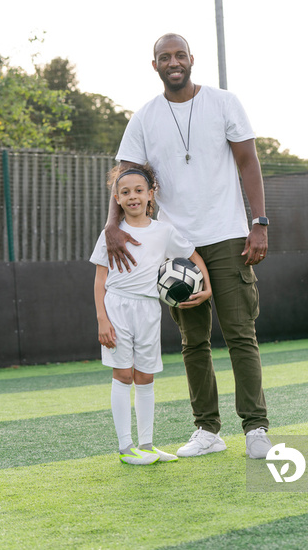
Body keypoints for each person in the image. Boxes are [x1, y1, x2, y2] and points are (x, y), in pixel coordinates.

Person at [105, 33, 271, 460]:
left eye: (179, 55)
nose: (173, 62)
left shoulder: (223, 102)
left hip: (229, 235)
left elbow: (248, 160)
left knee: (239, 333)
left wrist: (259, 223)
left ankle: (255, 427)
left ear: (191, 59)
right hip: (176, 247)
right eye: (165, 57)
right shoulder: (143, 118)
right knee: (193, 342)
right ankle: (207, 429)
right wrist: (112, 223)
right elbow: (125, 174)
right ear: (155, 65)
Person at [91, 164, 212, 465]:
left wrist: (206, 287)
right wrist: (102, 319)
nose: (133, 196)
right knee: (123, 374)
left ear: (150, 194)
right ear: (116, 199)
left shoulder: (164, 231)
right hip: (118, 306)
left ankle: (146, 444)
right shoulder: (111, 234)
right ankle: (125, 448)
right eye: (125, 192)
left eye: (138, 191)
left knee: (145, 377)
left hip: (149, 308)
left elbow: (193, 255)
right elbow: (99, 280)